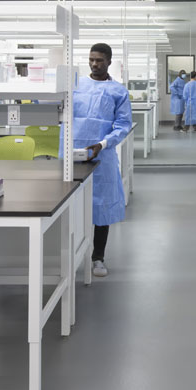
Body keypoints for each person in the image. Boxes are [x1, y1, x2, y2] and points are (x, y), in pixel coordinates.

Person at [63, 43, 132, 278]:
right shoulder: (75, 85)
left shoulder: (118, 91)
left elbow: (123, 125)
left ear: (109, 61)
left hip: (101, 154)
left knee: (101, 206)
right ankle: (68, 254)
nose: (94, 64)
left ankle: (98, 257)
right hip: (71, 154)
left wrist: (101, 144)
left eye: (100, 60)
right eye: (91, 59)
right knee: (68, 204)